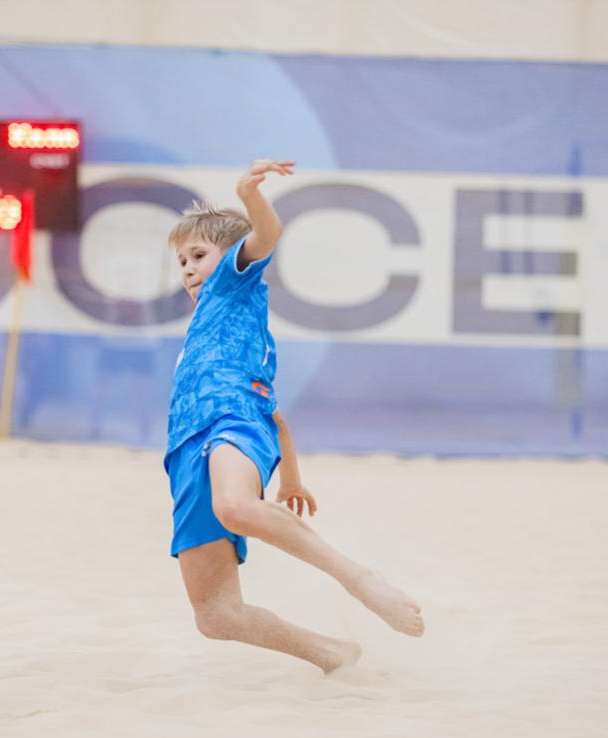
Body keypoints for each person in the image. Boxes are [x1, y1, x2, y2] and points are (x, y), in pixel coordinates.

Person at [164, 159, 425, 673]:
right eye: (181, 262)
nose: (188, 268)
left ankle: (360, 580)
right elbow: (277, 416)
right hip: (186, 450)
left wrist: (249, 195)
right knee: (216, 616)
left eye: (198, 255)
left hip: (231, 424)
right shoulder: (209, 330)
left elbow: (267, 234)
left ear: (231, 257)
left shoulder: (233, 284)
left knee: (235, 506)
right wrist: (292, 480)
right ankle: (333, 654)